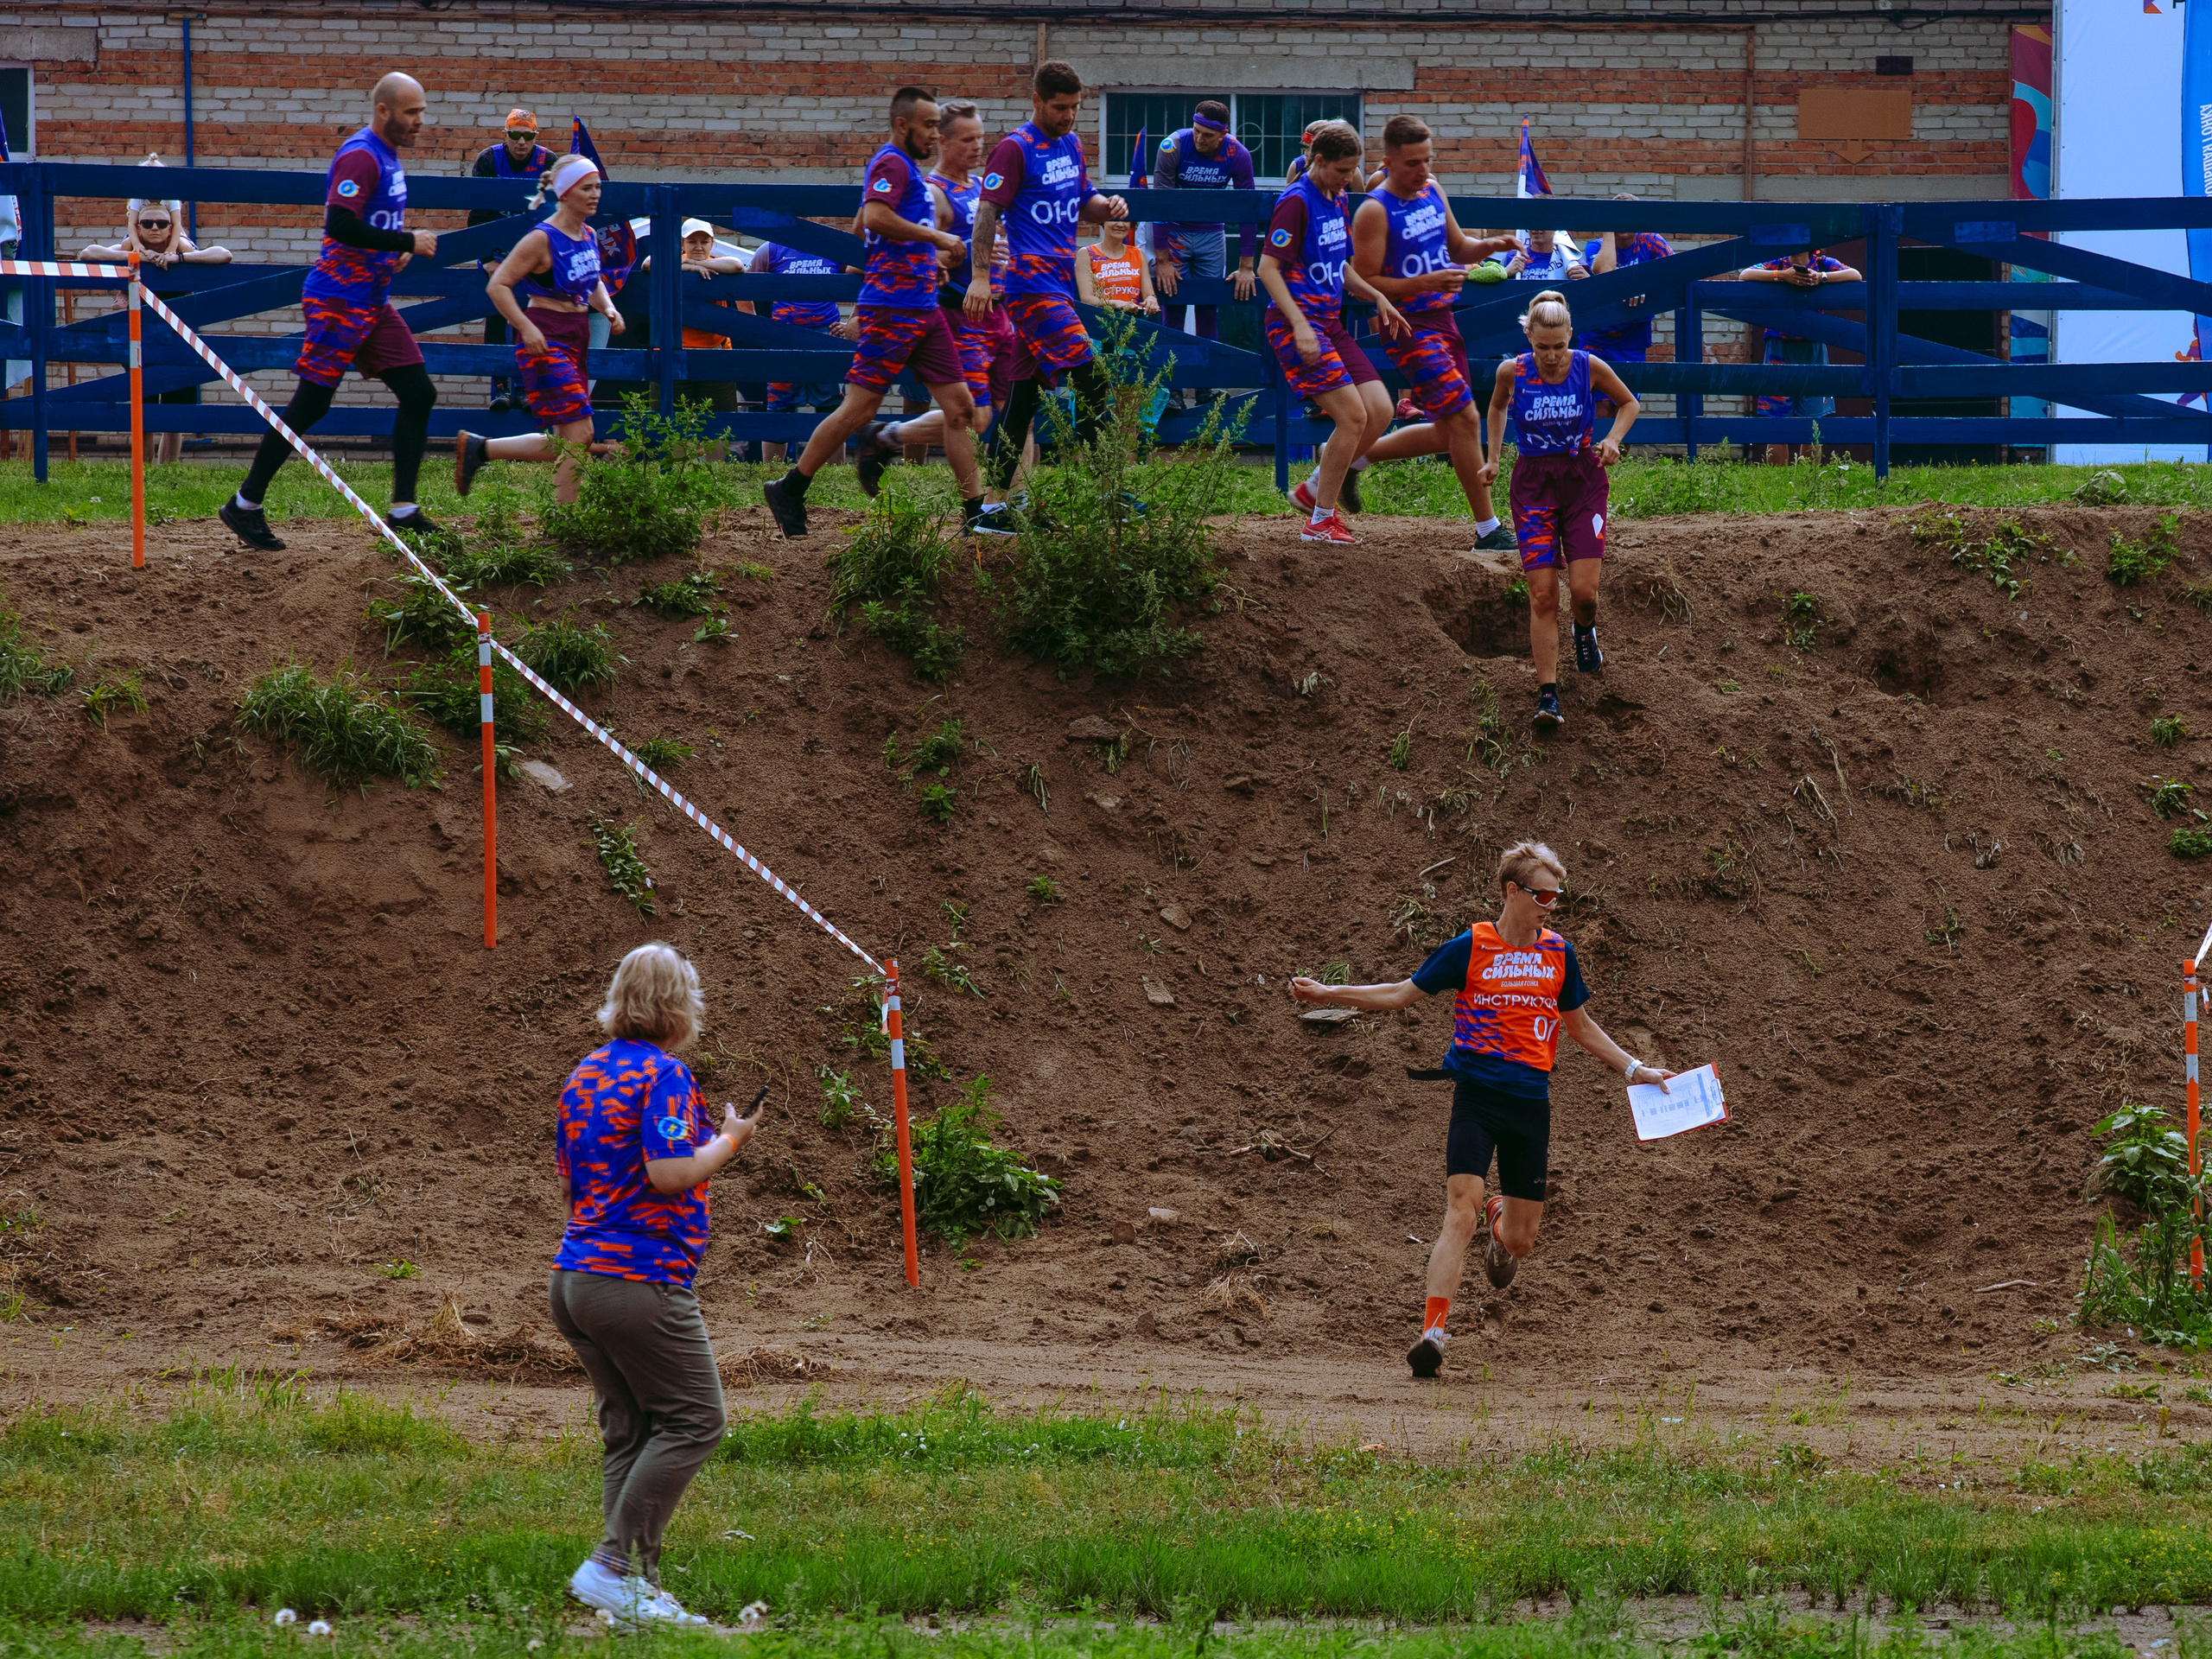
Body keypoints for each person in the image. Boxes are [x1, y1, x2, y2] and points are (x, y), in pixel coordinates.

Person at [1287, 842, 1674, 1380]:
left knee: (1520, 1240)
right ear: (1512, 891)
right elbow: (1401, 994)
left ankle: (1501, 1222)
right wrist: (1331, 992)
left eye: (1557, 896)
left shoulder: (1558, 954)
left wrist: (1639, 1071)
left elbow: (1581, 1029)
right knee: (1458, 1210)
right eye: (1542, 894)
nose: (1551, 905)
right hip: (1476, 1097)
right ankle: (1433, 1334)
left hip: (1530, 1105)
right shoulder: (1472, 946)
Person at [549, 943, 763, 1629]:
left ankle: (629, 1593)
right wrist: (730, 1140)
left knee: (632, 1432)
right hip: (638, 1281)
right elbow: (671, 1172)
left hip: (576, 1277)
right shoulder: (665, 1075)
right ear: (679, 1008)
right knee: (697, 1419)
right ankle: (612, 1567)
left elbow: (569, 1185)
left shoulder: (585, 1073)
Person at [219, 72, 440, 552]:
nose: (421, 121)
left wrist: (392, 251)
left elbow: (371, 222)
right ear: (383, 111)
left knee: (419, 392)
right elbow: (339, 224)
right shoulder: (361, 155)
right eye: (412, 112)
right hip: (339, 300)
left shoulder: (389, 155)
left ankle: (404, 508)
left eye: (422, 111)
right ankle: (245, 504)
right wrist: (407, 240)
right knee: (312, 404)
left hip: (373, 301)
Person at [760, 86, 981, 538]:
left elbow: (863, 222)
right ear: (903, 125)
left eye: (939, 126)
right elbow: (876, 217)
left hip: (924, 306)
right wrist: (936, 241)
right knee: (858, 409)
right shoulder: (890, 161)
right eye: (928, 126)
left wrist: (925, 261)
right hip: (892, 308)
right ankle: (791, 488)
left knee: (960, 409)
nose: (934, 134)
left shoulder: (909, 173)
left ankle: (975, 514)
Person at [963, 60, 1135, 520]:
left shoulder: (1072, 143)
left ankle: (993, 510)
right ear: (1037, 100)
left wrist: (1109, 205)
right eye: (1060, 107)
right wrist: (981, 276)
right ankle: (1108, 494)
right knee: (1092, 379)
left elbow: (1086, 200)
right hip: (1031, 285)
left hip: (1059, 281)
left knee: (1023, 398)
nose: (1069, 116)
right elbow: (986, 214)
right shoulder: (1014, 149)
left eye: (1076, 107)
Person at [1349, 115, 1519, 553]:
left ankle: (1351, 460)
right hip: (1406, 326)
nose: (1423, 170)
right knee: (1466, 418)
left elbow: (1458, 246)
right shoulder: (1374, 209)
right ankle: (1488, 529)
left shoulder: (1433, 190)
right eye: (1412, 163)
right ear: (1388, 161)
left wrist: (1489, 247)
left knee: (1449, 430)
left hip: (1443, 319)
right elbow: (1365, 281)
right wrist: (1423, 284)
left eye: (1428, 160)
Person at [1478, 290, 1640, 732]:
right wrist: (1493, 457)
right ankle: (1548, 695)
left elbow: (1630, 403)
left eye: (1558, 347)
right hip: (1533, 486)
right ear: (1528, 337)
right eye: (1541, 347)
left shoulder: (1589, 367)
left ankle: (1583, 631)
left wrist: (1612, 439)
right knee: (1544, 593)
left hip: (1583, 481)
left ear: (1571, 336)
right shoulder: (1512, 371)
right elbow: (1495, 407)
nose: (1550, 357)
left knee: (1584, 596)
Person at [861, 99, 1023, 524]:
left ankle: (1013, 500)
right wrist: (964, 255)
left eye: (981, 138)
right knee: (975, 416)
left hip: (1000, 311)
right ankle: (887, 435)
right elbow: (917, 248)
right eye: (967, 139)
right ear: (943, 141)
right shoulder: (934, 193)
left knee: (1013, 410)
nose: (977, 147)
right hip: (960, 315)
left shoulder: (979, 187)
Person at [1255, 120, 1406, 547]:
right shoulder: (1296, 202)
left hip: (1330, 323)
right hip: (1296, 324)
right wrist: (1300, 325)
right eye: (1342, 170)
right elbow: (1268, 269)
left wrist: (1376, 296)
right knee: (1352, 416)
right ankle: (1320, 520)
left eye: (1353, 170)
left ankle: (1312, 489)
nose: (1349, 179)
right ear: (1318, 161)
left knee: (1380, 411)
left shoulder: (1336, 199)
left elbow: (1339, 267)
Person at [452, 154, 626, 505]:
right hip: (546, 336)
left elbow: (592, 281)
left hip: (578, 334)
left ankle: (479, 449)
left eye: (597, 188)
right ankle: (566, 519)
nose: (595, 195)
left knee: (567, 439)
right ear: (564, 193)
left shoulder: (589, 234)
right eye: (586, 188)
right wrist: (526, 328)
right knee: (583, 433)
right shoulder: (542, 238)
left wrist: (608, 308)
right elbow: (497, 286)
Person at [81, 175, 234, 465]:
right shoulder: (131, 246)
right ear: (137, 227)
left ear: (171, 228)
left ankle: (167, 470)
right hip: (140, 336)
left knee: (175, 408)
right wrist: (134, 255)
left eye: (162, 224)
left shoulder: (181, 247)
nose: (154, 228)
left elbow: (223, 254)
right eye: (148, 223)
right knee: (143, 402)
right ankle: (145, 469)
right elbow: (88, 253)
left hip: (178, 336)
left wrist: (180, 260)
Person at [1149, 101, 1255, 379]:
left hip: (1211, 235)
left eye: (1208, 135)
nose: (1200, 139)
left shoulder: (1238, 154)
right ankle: (1171, 386)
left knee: (1209, 307)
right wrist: (1162, 260)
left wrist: (1246, 266)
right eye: (1197, 131)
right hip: (1175, 234)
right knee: (1173, 304)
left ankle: (1207, 384)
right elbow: (1159, 204)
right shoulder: (1172, 146)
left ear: (1223, 134)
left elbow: (1249, 210)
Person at [1742, 246, 1861, 466]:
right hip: (1779, 346)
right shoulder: (1776, 263)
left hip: (1813, 344)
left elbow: (1855, 274)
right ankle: (1777, 482)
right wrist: (1782, 276)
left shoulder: (1824, 263)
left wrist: (1821, 278)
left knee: (1813, 420)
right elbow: (1745, 275)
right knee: (1776, 419)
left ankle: (1808, 480)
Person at [469, 111, 556, 412]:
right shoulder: (489, 160)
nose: (521, 142)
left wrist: (544, 257)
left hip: (533, 254)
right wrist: (486, 258)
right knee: (497, 315)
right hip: (497, 252)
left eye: (528, 136)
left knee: (533, 319)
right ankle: (502, 388)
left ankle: (527, 389)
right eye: (515, 135)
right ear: (504, 134)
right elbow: (477, 212)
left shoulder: (548, 161)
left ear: (536, 136)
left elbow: (555, 213)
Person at [742, 235, 855, 465]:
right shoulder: (771, 249)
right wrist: (757, 328)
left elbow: (866, 275)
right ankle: (771, 474)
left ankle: (835, 476)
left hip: (826, 339)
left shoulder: (832, 247)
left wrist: (852, 324)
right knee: (779, 408)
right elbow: (744, 285)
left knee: (831, 407)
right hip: (784, 339)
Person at [1579, 197, 1671, 420]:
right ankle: (1597, 455)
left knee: (1626, 405)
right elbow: (1606, 271)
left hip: (1632, 337)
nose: (1623, 222)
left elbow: (1675, 271)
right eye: (1617, 216)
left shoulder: (1651, 242)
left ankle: (1620, 456)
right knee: (1600, 408)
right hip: (1597, 336)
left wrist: (1644, 283)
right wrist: (1609, 228)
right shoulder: (1595, 246)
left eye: (1628, 215)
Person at [1076, 217, 1160, 316]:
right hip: (1101, 319)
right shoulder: (1086, 253)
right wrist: (1114, 303)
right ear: (1103, 221)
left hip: (1133, 322)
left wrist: (1151, 299)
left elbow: (1148, 294)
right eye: (1114, 219)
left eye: (1126, 221)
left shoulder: (1138, 253)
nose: (1120, 224)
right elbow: (1086, 299)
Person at [1486, 226, 1587, 284]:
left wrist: (1587, 280)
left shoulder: (1569, 257)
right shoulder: (1514, 257)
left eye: (1543, 223)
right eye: (1532, 223)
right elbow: (1492, 295)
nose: (1536, 229)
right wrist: (1506, 273)